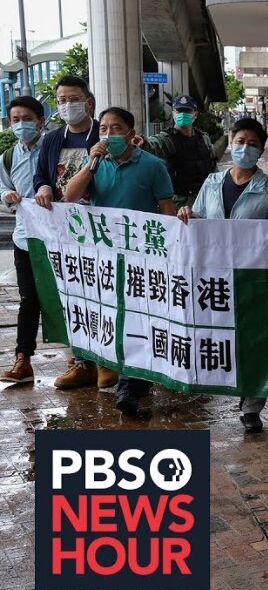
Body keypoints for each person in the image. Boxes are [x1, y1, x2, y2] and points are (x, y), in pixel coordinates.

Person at [63, 107, 176, 417]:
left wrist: (171, 252)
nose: (108, 134)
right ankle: (129, 377)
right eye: (103, 128)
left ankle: (129, 386)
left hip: (142, 257)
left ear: (130, 133)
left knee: (139, 318)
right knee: (115, 317)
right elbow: (70, 196)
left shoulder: (152, 166)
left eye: (115, 128)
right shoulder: (95, 164)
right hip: (104, 257)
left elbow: (166, 208)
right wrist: (90, 164)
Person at [177, 117, 268, 433]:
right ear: (231, 140)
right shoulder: (212, 183)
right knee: (219, 336)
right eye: (240, 141)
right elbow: (199, 220)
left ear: (261, 149)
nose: (245, 148)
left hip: (253, 278)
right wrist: (187, 214)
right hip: (214, 278)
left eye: (252, 144)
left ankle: (252, 406)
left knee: (255, 340)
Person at [30, 75, 117, 391]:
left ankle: (107, 361)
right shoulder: (53, 139)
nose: (67, 105)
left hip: (101, 230)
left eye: (74, 99)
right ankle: (81, 362)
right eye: (62, 100)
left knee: (103, 292)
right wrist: (42, 186)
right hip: (64, 232)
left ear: (88, 103)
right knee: (72, 294)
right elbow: (41, 174)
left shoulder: (104, 136)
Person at [0, 97, 46, 383]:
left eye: (27, 119)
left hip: (59, 239)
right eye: (15, 120)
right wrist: (7, 195)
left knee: (66, 297)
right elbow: (2, 188)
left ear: (41, 121)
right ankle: (23, 359)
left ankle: (81, 360)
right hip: (24, 238)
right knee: (28, 299)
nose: (21, 124)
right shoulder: (7, 157)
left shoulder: (54, 148)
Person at [138, 94, 228, 210]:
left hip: (203, 201)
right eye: (179, 111)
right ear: (173, 114)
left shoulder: (203, 138)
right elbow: (153, 145)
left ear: (195, 114)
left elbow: (211, 166)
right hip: (177, 204)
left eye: (187, 111)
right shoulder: (168, 138)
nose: (182, 114)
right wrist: (142, 142)